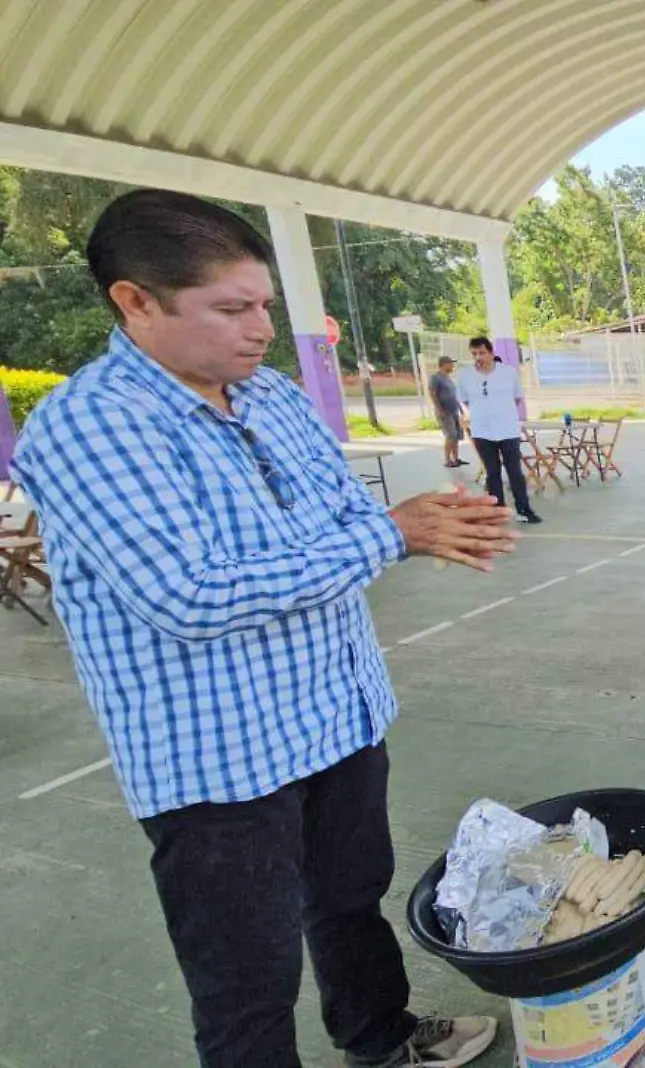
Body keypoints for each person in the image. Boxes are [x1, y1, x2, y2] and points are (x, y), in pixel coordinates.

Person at [10, 189, 512, 1068]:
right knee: (247, 981)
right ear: (135, 302)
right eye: (230, 309)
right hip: (220, 763)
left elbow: (332, 520)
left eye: (265, 307)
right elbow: (190, 594)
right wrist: (392, 535)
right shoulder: (91, 425)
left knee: (351, 897)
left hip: (335, 712)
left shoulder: (272, 395)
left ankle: (379, 1036)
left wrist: (408, 521)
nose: (259, 330)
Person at [456, 336, 541, 524]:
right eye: (474, 354)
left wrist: (502, 411)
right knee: (492, 472)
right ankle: (497, 510)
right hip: (482, 431)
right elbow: (465, 400)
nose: (479, 357)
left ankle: (524, 509)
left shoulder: (508, 373)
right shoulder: (465, 375)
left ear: (491, 352)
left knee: (514, 472)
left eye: (482, 353)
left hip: (508, 429)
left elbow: (517, 398)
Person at [428, 355, 467, 469]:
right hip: (445, 411)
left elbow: (454, 396)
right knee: (451, 435)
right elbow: (432, 393)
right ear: (444, 364)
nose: (452, 366)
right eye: (450, 363)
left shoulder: (448, 379)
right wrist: (440, 409)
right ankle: (447, 460)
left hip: (454, 410)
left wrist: (460, 409)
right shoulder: (435, 378)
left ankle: (456, 458)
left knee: (457, 435)